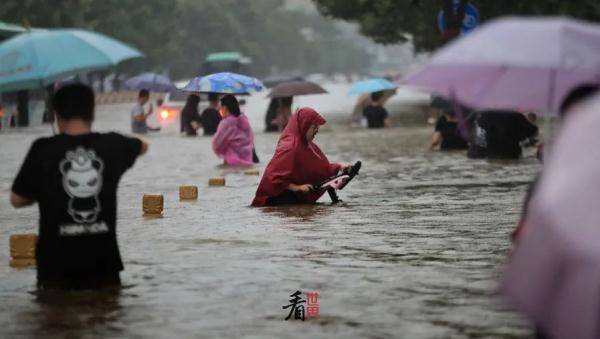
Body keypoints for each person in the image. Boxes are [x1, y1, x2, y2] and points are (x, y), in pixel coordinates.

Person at [10, 83, 148, 290]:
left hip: (55, 269)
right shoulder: (113, 145)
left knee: (55, 318)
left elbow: (17, 200)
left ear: (55, 114)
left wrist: (46, 188)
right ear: (92, 112)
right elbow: (143, 145)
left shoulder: (42, 149)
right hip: (103, 267)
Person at [251, 107, 350, 206]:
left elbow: (320, 168)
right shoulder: (290, 146)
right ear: (305, 125)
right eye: (314, 127)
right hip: (276, 200)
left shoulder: (307, 145)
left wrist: (340, 167)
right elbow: (273, 178)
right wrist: (297, 188)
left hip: (295, 198)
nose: (316, 131)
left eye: (318, 127)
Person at [467, 110, 538, 159]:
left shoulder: (484, 115)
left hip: (491, 154)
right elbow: (532, 131)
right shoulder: (516, 115)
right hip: (511, 155)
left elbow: (478, 130)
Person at [212, 94, 255, 166]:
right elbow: (251, 139)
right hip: (248, 161)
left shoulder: (226, 123)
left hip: (232, 162)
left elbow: (216, 143)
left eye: (220, 109)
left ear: (225, 108)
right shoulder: (244, 120)